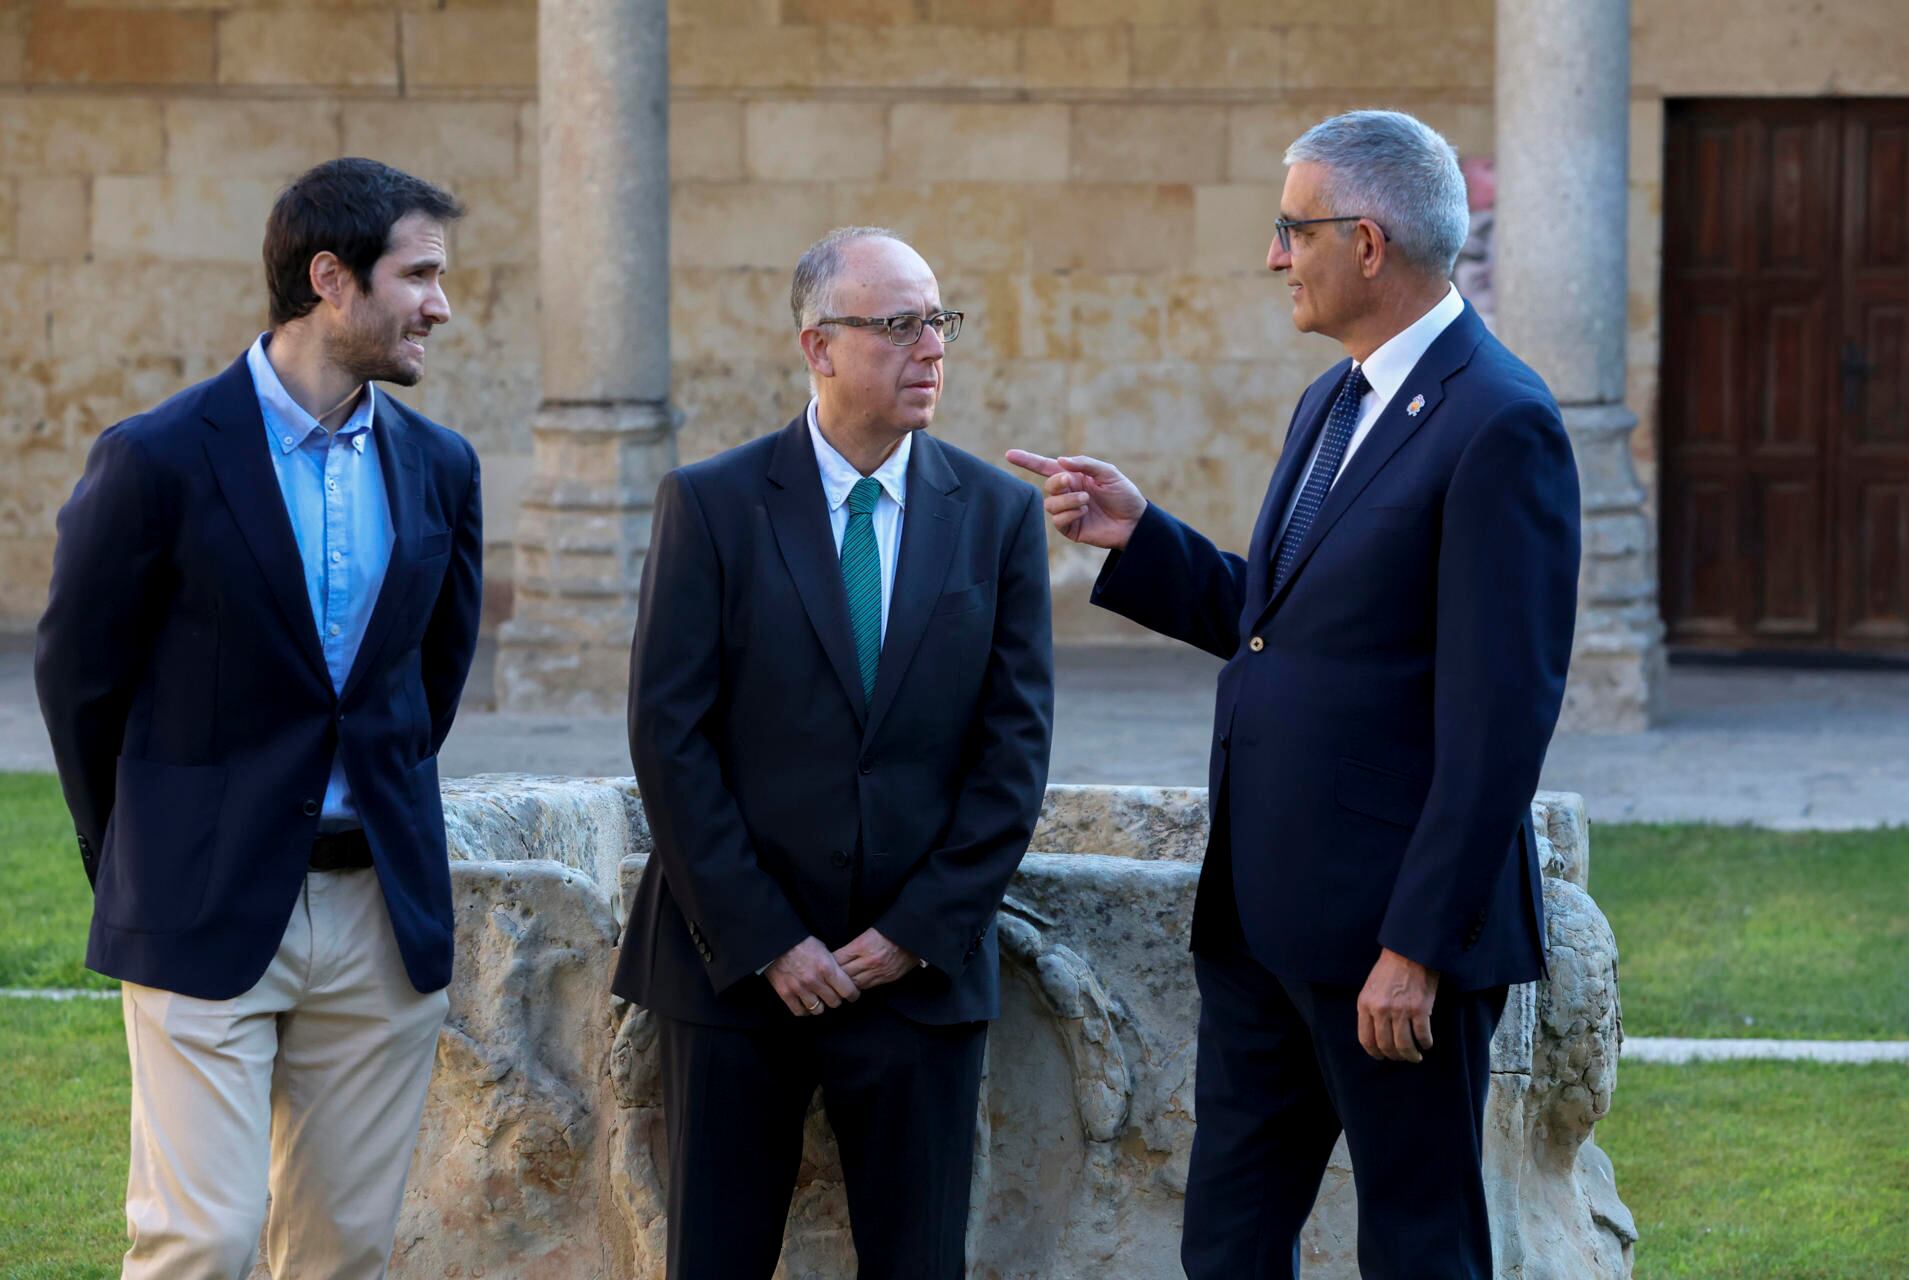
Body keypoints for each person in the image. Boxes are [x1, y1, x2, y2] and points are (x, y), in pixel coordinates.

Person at [1009, 110, 1581, 1279]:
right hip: (1264, 923)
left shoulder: (1501, 421)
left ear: (1367, 244)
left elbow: (1500, 716)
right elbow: (1286, 630)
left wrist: (1415, 945)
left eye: (1291, 229)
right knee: (1225, 1241)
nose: (1275, 255)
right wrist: (1143, 539)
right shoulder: (1333, 400)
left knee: (1419, 1247)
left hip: (1388, 945)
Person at [35, 157, 482, 1279]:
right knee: (203, 1239)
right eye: (418, 273)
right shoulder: (159, 456)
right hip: (203, 892)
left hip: (380, 912)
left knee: (342, 1250)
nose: (441, 302)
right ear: (330, 278)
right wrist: (137, 853)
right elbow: (79, 680)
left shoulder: (441, 465)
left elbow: (430, 679)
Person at [614, 226, 1053, 1279]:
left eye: (938, 321)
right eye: (898, 325)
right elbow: (669, 737)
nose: (932, 348)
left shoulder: (995, 514)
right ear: (817, 346)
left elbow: (1015, 749)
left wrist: (911, 931)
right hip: (733, 974)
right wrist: (768, 937)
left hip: (916, 977)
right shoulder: (712, 504)